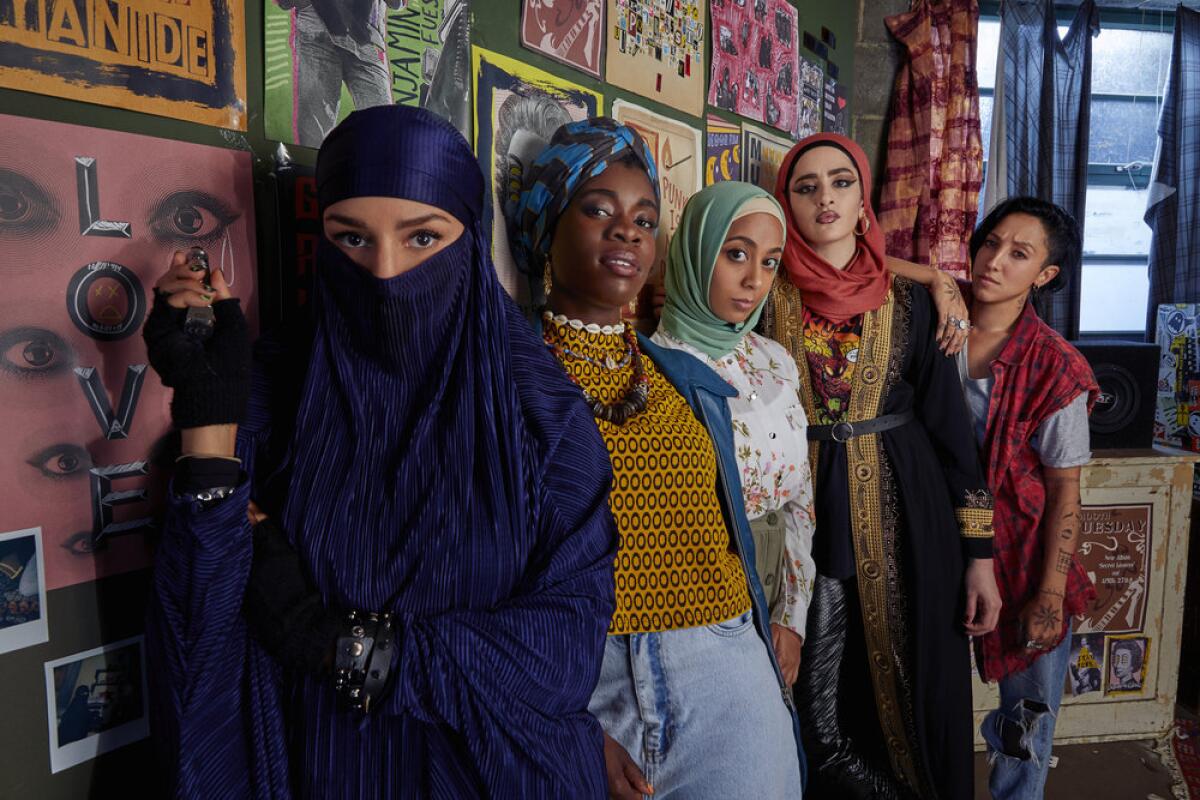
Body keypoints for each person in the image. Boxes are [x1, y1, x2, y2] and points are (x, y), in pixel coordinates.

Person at [142, 105, 618, 798]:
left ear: (468, 238)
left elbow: (564, 649)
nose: (386, 274)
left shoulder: (541, 417)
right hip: (322, 771)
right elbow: (198, 620)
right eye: (352, 239)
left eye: (423, 237)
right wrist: (209, 414)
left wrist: (340, 645)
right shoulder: (279, 392)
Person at [508, 118, 805, 799]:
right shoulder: (504, 376)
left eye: (644, 219)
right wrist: (566, 721)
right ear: (546, 225)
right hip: (582, 677)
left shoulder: (681, 376)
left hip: (724, 673)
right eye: (597, 209)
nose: (627, 231)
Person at [758, 132, 1001, 799]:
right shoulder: (761, 293)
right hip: (799, 515)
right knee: (817, 695)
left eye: (840, 182)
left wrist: (979, 555)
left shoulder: (917, 302)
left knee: (911, 682)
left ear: (863, 198)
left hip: (908, 517)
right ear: (787, 203)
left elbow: (953, 432)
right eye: (806, 187)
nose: (825, 198)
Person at [650, 181, 816, 686]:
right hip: (700, 603)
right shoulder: (655, 371)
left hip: (778, 593)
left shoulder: (776, 361)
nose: (753, 281)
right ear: (697, 251)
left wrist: (793, 618)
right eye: (736, 254)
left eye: (769, 262)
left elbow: (799, 501)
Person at [965, 197, 1098, 800]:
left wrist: (1049, 593)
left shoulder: (1056, 367)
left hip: (1024, 560)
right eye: (991, 242)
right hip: (939, 546)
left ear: (1044, 276)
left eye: (1019, 254)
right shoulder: (931, 325)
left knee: (1027, 722)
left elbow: (1066, 486)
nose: (994, 261)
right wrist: (938, 285)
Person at [279, 0, 404, 147]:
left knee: (381, 122)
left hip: (365, 36)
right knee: (315, 131)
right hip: (318, 31)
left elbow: (397, 3)